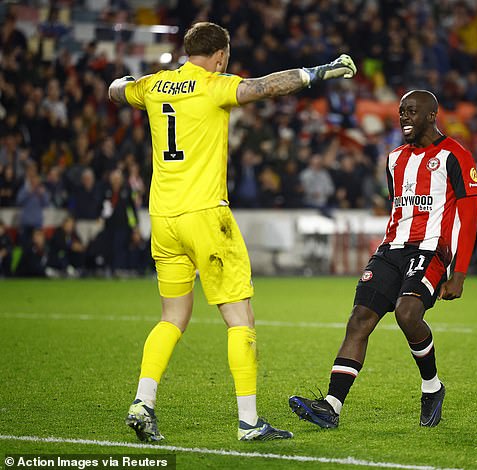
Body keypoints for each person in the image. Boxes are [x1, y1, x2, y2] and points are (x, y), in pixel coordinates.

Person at [108, 21, 356, 442]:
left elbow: (116, 89)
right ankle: (248, 422)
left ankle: (142, 402)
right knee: (240, 319)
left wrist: (130, 81)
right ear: (220, 55)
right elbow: (266, 87)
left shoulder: (153, 87)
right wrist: (319, 72)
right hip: (206, 216)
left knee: (172, 317)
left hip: (163, 219)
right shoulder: (213, 85)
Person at [289, 90, 477, 429]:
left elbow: (470, 215)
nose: (404, 116)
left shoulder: (456, 155)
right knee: (359, 318)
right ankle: (331, 406)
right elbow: (398, 207)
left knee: (408, 313)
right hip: (390, 250)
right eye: (401, 111)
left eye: (412, 111)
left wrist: (459, 273)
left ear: (432, 115)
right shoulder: (394, 159)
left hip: (430, 250)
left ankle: (431, 387)